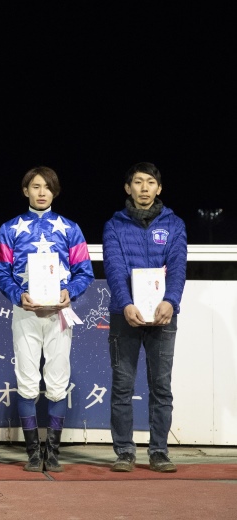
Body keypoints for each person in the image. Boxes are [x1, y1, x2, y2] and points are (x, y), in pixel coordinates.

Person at [0, 166, 94, 472]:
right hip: (25, 313)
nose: (41, 192)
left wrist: (69, 292)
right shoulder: (9, 229)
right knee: (27, 381)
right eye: (35, 187)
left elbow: (84, 272)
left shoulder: (70, 228)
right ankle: (33, 453)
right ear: (25, 191)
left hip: (59, 314)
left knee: (58, 381)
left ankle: (54, 451)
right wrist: (17, 295)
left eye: (47, 187)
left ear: (54, 191)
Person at [103, 162, 186, 473]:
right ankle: (124, 452)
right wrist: (126, 304)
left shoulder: (174, 224)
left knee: (161, 387)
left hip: (163, 315)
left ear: (159, 188)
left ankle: (159, 451)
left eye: (150, 182)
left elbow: (178, 266)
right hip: (124, 315)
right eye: (138, 182)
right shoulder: (114, 225)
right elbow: (114, 267)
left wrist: (171, 301)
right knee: (122, 386)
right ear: (128, 188)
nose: (144, 188)